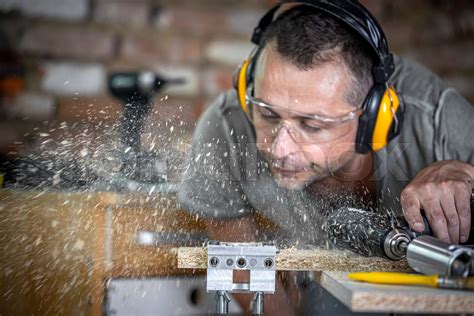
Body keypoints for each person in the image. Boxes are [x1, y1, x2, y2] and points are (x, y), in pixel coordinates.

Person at [178, 1, 474, 313]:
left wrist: (468, 174)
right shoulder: (227, 126)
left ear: (374, 118)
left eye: (312, 125)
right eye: (267, 114)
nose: (279, 150)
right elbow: (240, 264)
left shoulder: (438, 120)